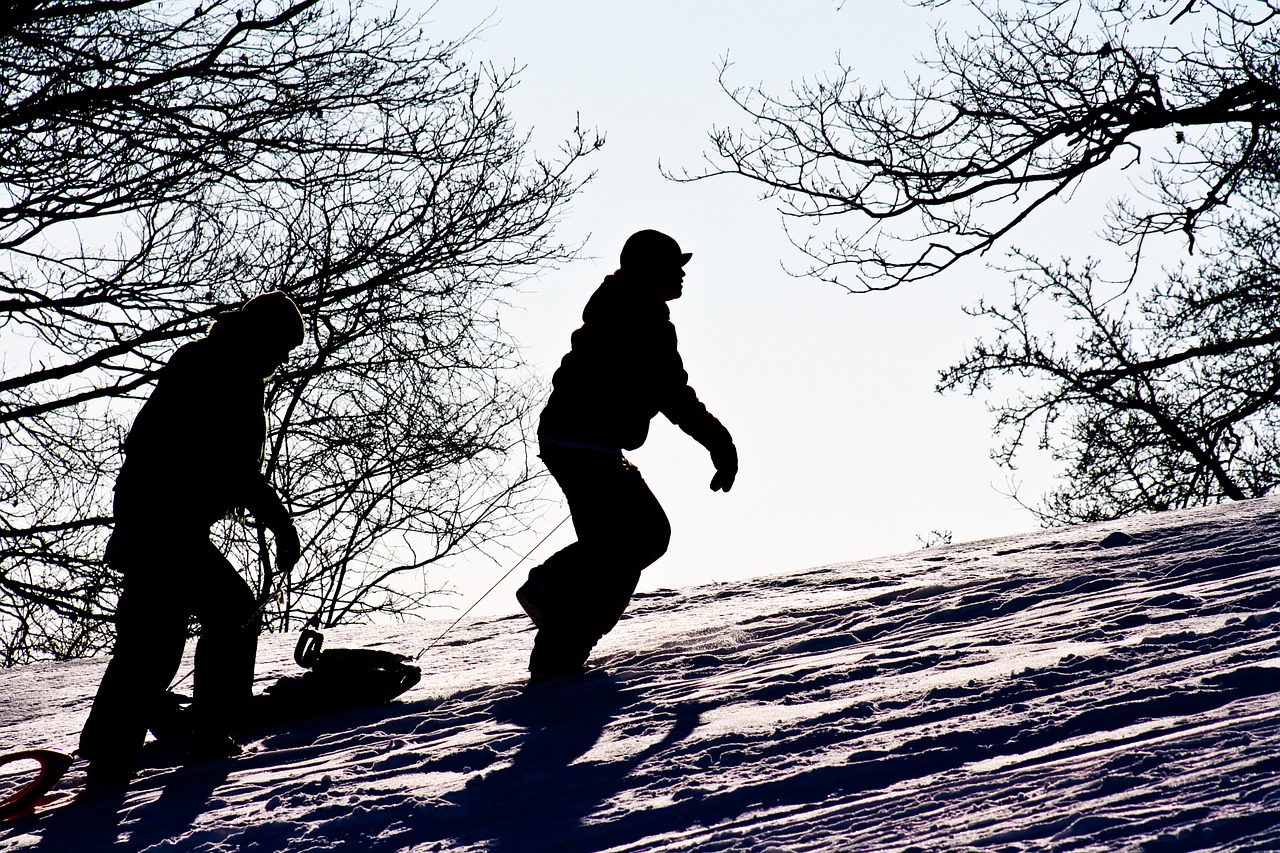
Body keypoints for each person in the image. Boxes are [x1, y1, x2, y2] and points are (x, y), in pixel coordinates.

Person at [79, 291, 305, 786]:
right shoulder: (227, 373)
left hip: (152, 523)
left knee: (150, 642)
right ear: (261, 337)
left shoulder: (207, 360)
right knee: (231, 611)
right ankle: (210, 730)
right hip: (166, 525)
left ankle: (110, 750)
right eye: (281, 348)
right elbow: (237, 470)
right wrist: (281, 524)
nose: (281, 361)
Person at [516, 229, 738, 682]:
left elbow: (663, 391)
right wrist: (720, 443)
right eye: (673, 266)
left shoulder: (627, 306)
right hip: (582, 444)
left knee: (628, 542)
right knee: (632, 542)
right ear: (649, 272)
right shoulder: (640, 317)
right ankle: (558, 640)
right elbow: (673, 395)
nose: (681, 275)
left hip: (580, 442)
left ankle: (555, 623)